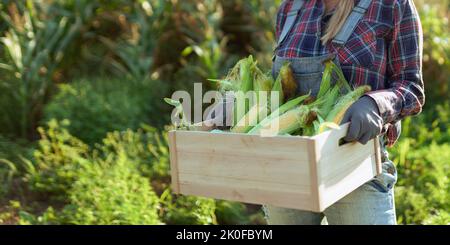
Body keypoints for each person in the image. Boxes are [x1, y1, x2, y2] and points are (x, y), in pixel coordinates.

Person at [208, 0, 425, 225]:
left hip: (355, 167)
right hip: (286, 168)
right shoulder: (290, 8)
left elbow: (411, 87)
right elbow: (283, 85)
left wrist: (375, 104)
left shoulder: (391, 5)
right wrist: (239, 100)